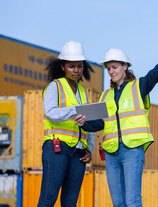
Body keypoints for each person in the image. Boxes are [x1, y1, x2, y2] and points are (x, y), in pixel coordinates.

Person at [82, 47, 158, 207]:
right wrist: (83, 122)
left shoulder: (138, 87)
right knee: (118, 203)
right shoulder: (104, 96)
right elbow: (100, 123)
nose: (111, 71)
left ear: (125, 66)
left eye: (114, 67)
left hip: (132, 151)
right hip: (111, 153)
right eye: (108, 69)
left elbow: (154, 75)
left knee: (132, 201)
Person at [38, 41, 96, 207]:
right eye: (71, 66)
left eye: (79, 66)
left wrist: (89, 149)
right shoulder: (54, 87)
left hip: (79, 153)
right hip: (57, 148)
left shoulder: (84, 92)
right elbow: (50, 113)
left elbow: (88, 124)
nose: (76, 70)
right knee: (48, 199)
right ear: (63, 66)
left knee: (70, 203)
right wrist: (74, 110)